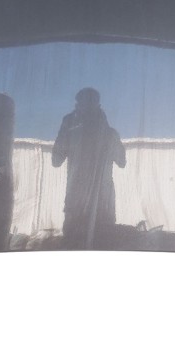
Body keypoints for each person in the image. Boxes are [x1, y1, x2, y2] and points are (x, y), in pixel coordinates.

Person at [51, 88, 126, 248]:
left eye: (82, 104)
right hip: (90, 206)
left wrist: (65, 131)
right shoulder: (109, 134)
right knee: (96, 246)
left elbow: (56, 160)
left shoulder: (75, 133)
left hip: (90, 206)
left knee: (80, 245)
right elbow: (122, 161)